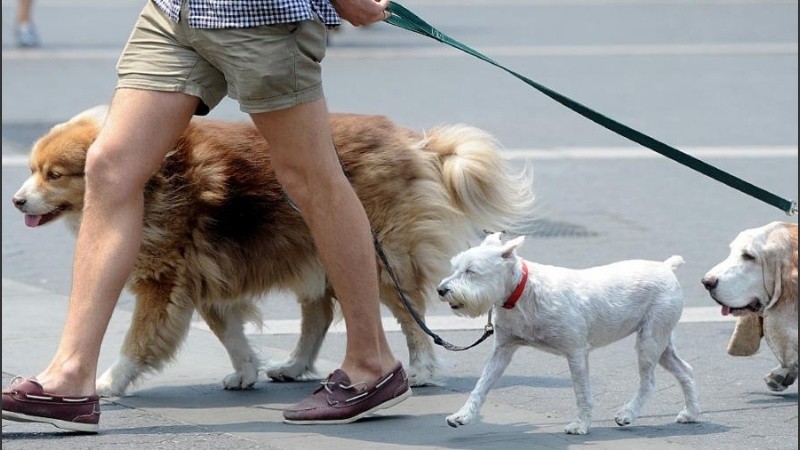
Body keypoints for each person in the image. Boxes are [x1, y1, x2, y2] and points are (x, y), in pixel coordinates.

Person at [2, 0, 409, 432]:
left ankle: (371, 362)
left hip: (259, 17)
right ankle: (71, 376)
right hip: (175, 12)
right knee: (110, 167)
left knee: (308, 177)